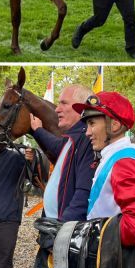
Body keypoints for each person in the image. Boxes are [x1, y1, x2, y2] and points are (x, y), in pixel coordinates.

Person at [72, 92, 135, 268]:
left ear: (114, 126)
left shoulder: (125, 162)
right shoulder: (114, 157)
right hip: (114, 267)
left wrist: (87, 235)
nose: (87, 132)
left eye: (92, 123)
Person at [30, 84, 95, 221]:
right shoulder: (71, 139)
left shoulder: (88, 140)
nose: (57, 109)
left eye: (64, 103)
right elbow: (54, 145)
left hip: (64, 229)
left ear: (82, 107)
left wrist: (61, 229)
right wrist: (38, 131)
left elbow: (83, 195)